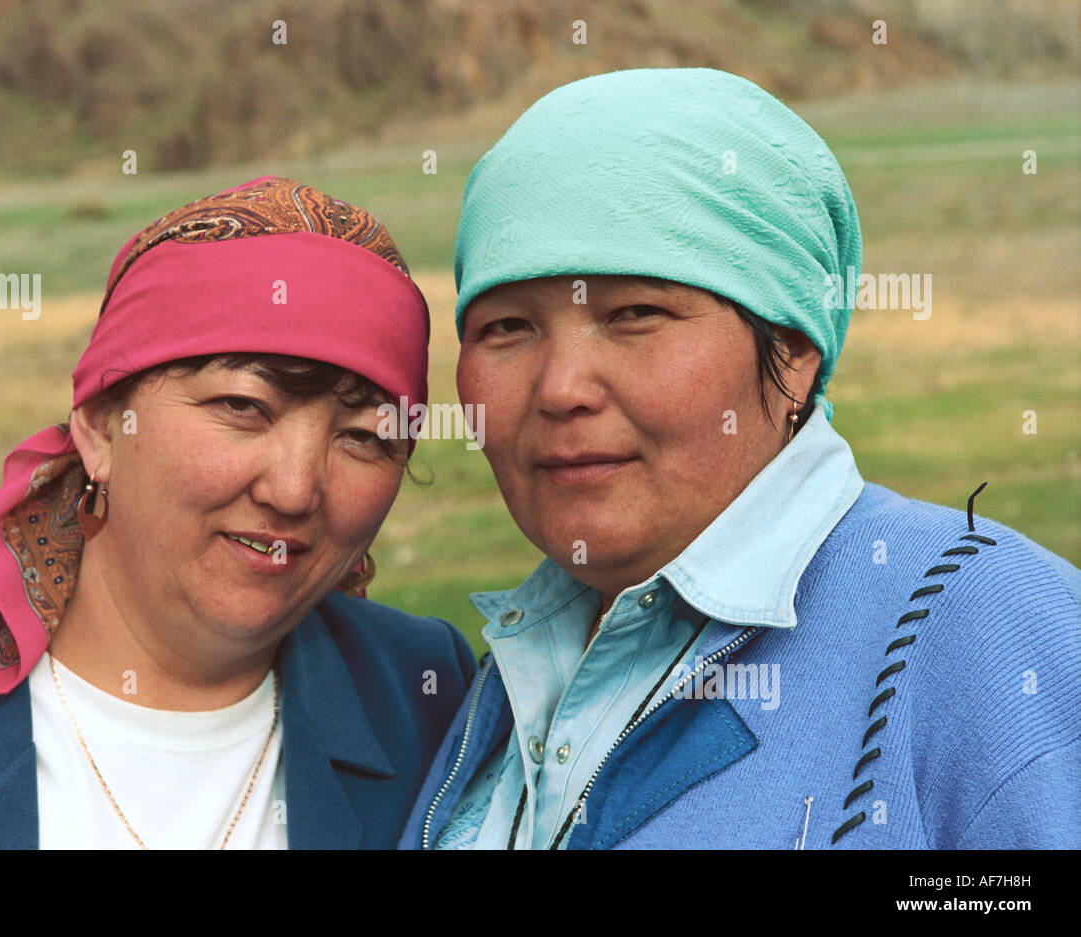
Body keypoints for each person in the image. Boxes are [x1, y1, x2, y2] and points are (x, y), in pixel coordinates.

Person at [400, 68, 1080, 850]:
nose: (560, 389)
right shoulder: (509, 672)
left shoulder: (983, 625)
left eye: (636, 313)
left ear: (791, 350)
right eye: (508, 327)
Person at [0, 176, 476, 849]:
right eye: (243, 407)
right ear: (102, 425)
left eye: (364, 436)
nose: (295, 490)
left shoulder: (435, 706)